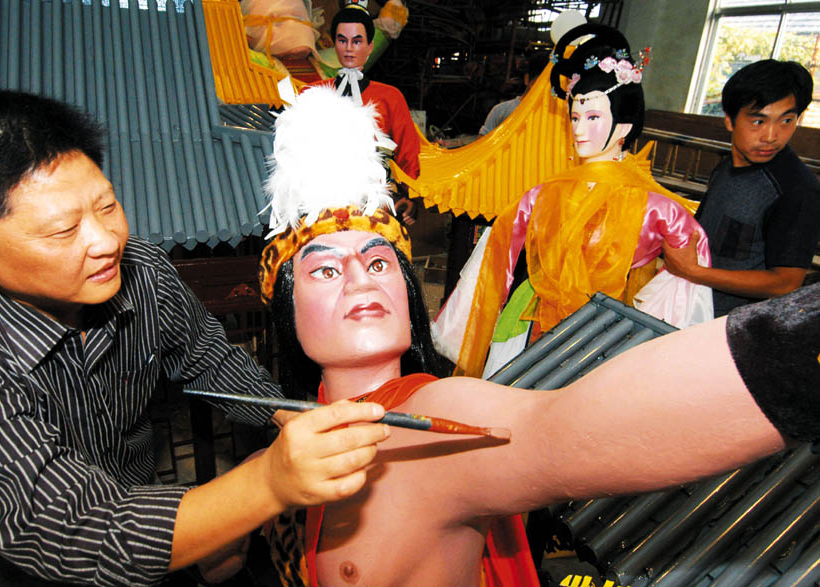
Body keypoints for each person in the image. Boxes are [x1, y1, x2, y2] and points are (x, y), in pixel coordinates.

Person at [200, 85, 817, 587]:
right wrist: (250, 505)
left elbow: (563, 431)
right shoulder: (275, 455)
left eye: (380, 260)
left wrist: (798, 343)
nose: (362, 278)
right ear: (286, 309)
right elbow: (216, 556)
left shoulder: (437, 421)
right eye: (326, 269)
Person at [0, 89, 390, 586]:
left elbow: (210, 359)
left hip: (135, 492)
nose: (107, 241)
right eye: (63, 232)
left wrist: (286, 414)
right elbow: (73, 531)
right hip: (12, 556)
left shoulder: (142, 273)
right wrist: (266, 484)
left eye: (107, 206)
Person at [432, 23, 714, 378]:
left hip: (610, 337)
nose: (579, 129)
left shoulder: (660, 209)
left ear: (625, 126)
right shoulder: (543, 194)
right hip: (533, 322)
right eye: (575, 117)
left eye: (594, 117)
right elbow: (494, 261)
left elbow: (686, 283)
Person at [662, 59, 820, 317]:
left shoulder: (796, 190)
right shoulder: (724, 170)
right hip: (693, 310)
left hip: (736, 331)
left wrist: (694, 273)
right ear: (730, 120)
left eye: (786, 120)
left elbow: (785, 282)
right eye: (758, 121)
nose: (771, 135)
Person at [306, 2, 420, 224]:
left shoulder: (390, 97)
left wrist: (411, 198)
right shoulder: (310, 93)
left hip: (377, 209)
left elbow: (409, 157)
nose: (349, 48)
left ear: (370, 47)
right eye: (342, 40)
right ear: (333, 44)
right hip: (320, 208)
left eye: (357, 41)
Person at [478, 51, 551, 136]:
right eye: (542, 83)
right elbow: (482, 143)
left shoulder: (557, 119)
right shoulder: (501, 111)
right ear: (527, 79)